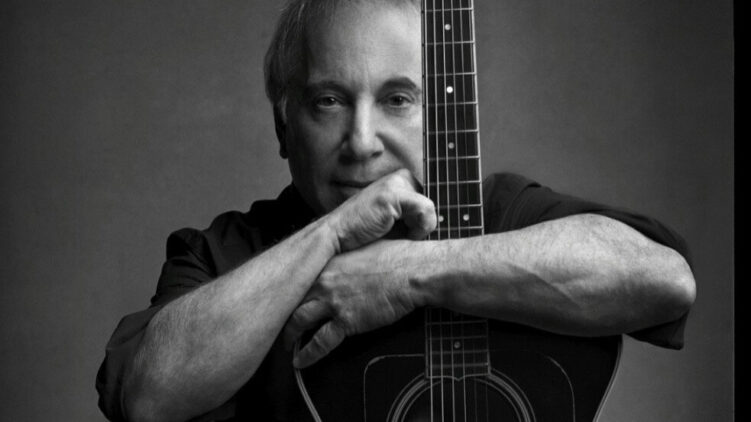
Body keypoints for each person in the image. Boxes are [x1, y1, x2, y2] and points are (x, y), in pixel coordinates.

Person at [96, 0, 696, 421]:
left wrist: (408, 274)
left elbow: (665, 281)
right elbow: (148, 398)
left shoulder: (500, 216)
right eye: (328, 101)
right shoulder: (223, 253)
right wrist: (332, 234)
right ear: (284, 125)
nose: (361, 141)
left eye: (398, 99)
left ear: (445, 114)